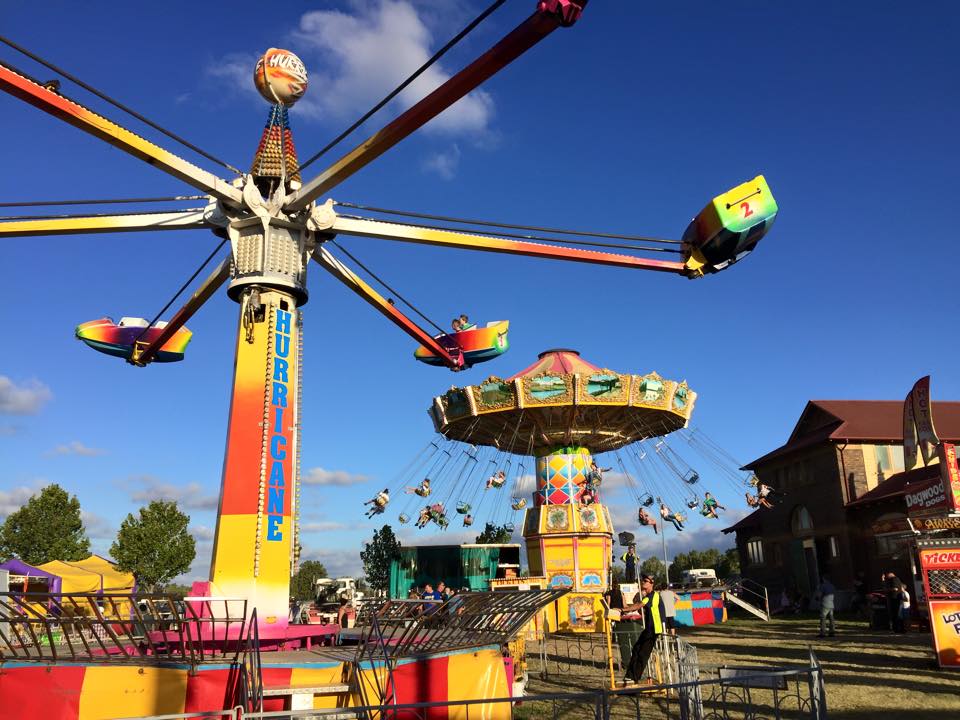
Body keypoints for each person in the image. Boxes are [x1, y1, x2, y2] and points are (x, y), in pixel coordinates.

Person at [622, 574, 665, 685]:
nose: (643, 582)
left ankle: (634, 678)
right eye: (642, 580)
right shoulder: (648, 596)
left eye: (645, 581)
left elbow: (638, 605)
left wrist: (623, 610)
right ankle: (629, 676)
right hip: (649, 628)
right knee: (636, 649)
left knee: (643, 654)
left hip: (654, 629)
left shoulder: (654, 595)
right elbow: (639, 606)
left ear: (652, 583)